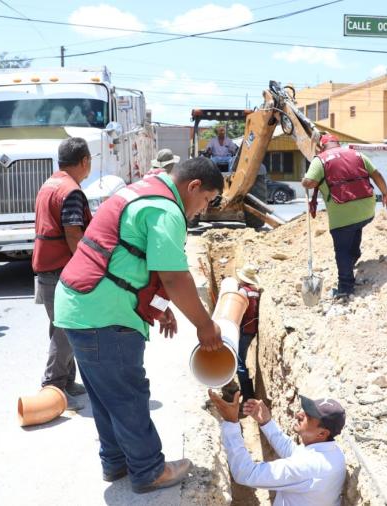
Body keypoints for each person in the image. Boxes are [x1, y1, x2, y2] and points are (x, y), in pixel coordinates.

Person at [54, 156, 224, 494]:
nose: (203, 211)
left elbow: (134, 261)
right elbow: (175, 277)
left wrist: (161, 308)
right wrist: (205, 326)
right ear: (193, 187)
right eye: (206, 200)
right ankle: (148, 470)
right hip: (104, 314)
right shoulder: (166, 211)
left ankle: (116, 462)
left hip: (79, 306)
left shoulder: (144, 192)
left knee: (106, 395)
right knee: (129, 394)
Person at [32, 137, 93, 411]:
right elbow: (73, 233)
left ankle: (67, 380)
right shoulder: (71, 191)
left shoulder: (49, 184)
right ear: (84, 161)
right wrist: (88, 267)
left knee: (59, 325)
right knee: (67, 327)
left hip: (46, 266)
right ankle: (53, 385)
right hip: (62, 268)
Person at [208, 391, 347, 505]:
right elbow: (293, 452)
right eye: (304, 411)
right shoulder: (334, 453)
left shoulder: (308, 466)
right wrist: (266, 422)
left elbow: (246, 473)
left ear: (322, 433)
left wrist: (231, 423)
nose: (299, 415)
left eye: (308, 417)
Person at [302, 134, 387, 300]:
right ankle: (353, 259)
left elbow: (310, 182)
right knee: (355, 229)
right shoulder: (357, 154)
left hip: (342, 214)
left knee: (342, 250)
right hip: (366, 209)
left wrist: (304, 182)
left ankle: (345, 288)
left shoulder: (320, 159)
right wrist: (386, 195)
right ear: (338, 143)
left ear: (321, 147)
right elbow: (377, 174)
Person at [233, 265, 261, 402]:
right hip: (251, 330)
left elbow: (238, 312)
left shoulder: (243, 292)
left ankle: (248, 395)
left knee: (239, 363)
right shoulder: (255, 291)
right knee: (241, 360)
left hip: (244, 330)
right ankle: (247, 391)